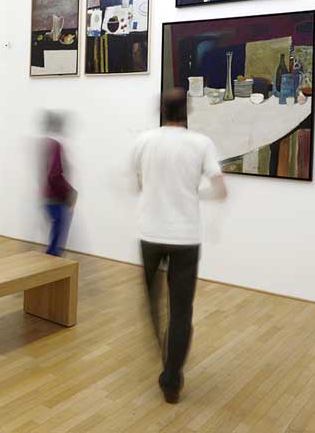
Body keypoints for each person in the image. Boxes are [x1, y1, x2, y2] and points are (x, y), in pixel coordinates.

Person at [131, 89, 228, 404]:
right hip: (185, 238)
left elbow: (138, 183)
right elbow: (221, 190)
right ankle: (172, 380)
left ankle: (163, 348)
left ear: (162, 109)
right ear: (187, 111)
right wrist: (194, 194)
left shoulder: (144, 141)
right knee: (181, 310)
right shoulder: (201, 143)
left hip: (150, 234)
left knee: (153, 302)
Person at [42, 111, 77, 257]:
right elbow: (54, 175)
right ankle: (52, 262)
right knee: (56, 243)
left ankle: (52, 261)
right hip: (55, 197)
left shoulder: (45, 144)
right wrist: (69, 193)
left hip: (49, 196)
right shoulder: (55, 145)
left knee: (56, 236)